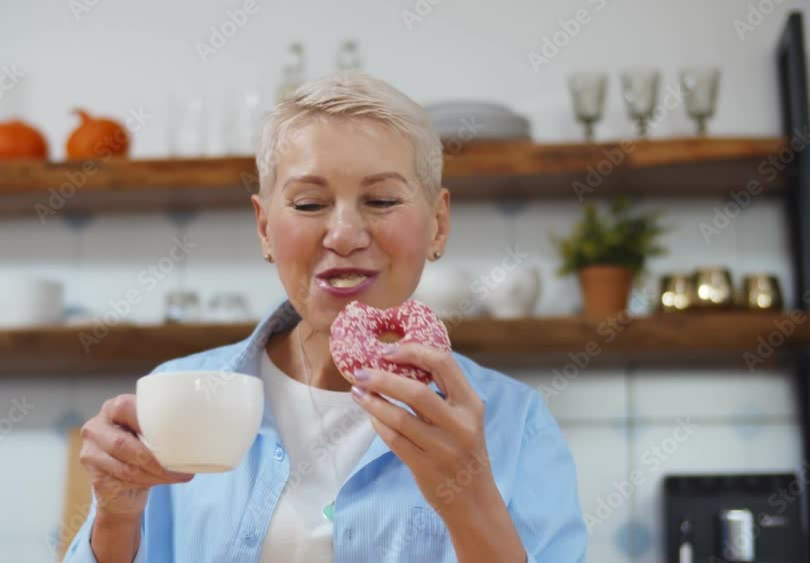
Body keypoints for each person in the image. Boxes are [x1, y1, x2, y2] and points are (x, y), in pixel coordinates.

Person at [64, 71, 588, 563]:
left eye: (381, 199)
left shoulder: (514, 424)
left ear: (439, 224)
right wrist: (116, 514)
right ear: (265, 227)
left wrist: (470, 501)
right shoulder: (175, 396)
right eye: (310, 204)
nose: (343, 234)